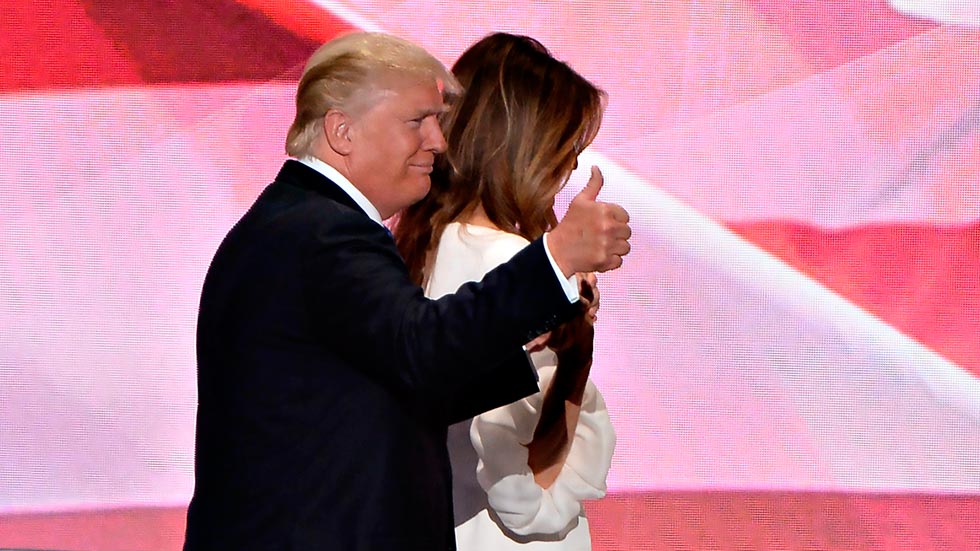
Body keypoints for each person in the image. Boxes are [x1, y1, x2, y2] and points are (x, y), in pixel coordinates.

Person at [182, 32, 631, 551]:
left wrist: (533, 337)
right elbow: (421, 347)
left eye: (438, 121)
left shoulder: (296, 222)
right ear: (342, 130)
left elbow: (397, 385)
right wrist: (557, 257)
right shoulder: (324, 233)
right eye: (418, 121)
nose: (439, 141)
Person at [394, 33, 615, 549]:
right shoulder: (513, 270)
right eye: (564, 149)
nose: (569, 169)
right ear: (524, 149)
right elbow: (530, 497)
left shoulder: (414, 255)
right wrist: (578, 351)